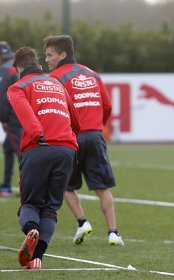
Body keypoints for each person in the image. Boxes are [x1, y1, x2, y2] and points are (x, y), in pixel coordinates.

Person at [44, 35, 124, 246]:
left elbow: (55, 109)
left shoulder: (56, 77)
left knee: (66, 186)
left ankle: (82, 222)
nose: (46, 59)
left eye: (49, 55)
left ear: (63, 54)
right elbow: (107, 106)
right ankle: (113, 233)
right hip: (95, 136)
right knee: (102, 188)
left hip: (72, 138)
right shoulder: (92, 74)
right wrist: (97, 126)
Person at [8, 46, 80, 269]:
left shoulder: (18, 87)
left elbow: (25, 113)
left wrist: (38, 134)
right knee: (50, 209)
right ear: (38, 65)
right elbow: (75, 119)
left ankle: (31, 229)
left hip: (38, 147)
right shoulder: (57, 84)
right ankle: (36, 257)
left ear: (20, 68)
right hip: (67, 149)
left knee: (29, 204)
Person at [0, 41, 22, 197]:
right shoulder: (18, 66)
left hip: (13, 118)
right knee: (8, 149)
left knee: (22, 154)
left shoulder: (5, 70)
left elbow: (4, 97)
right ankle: (6, 185)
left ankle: (28, 188)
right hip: (21, 115)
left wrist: (3, 118)